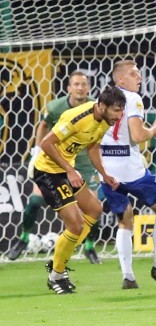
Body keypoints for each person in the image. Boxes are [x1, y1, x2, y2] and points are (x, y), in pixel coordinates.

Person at [100, 60, 156, 289]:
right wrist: (155, 131)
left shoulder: (103, 99)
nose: (138, 77)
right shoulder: (133, 99)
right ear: (120, 80)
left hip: (108, 169)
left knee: (125, 220)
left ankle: (128, 277)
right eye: (132, 74)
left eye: (139, 73)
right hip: (132, 170)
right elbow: (138, 135)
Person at [34, 85, 126, 294]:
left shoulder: (104, 121)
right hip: (48, 171)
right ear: (101, 106)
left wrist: (104, 173)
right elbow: (47, 144)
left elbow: (92, 147)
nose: (119, 116)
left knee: (94, 209)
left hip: (66, 172)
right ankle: (56, 275)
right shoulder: (77, 117)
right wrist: (70, 170)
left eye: (121, 111)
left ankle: (59, 259)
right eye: (116, 110)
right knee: (75, 224)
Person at [9, 71, 104, 263]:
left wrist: (101, 168)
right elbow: (43, 126)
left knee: (94, 208)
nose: (80, 88)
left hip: (83, 163)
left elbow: (96, 141)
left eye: (83, 84)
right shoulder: (56, 107)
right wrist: (36, 151)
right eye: (76, 84)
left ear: (88, 88)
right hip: (55, 162)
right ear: (69, 88)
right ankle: (24, 238)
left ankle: (89, 247)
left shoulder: (96, 107)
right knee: (35, 201)